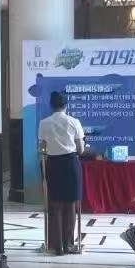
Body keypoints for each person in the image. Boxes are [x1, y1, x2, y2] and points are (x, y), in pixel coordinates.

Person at [38, 90, 85, 255]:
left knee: (55, 204)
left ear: (51, 105)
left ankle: (57, 246)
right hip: (70, 164)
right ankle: (69, 244)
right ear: (66, 105)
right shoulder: (74, 121)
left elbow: (42, 148)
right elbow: (80, 149)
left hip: (53, 164)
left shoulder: (44, 123)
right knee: (71, 205)